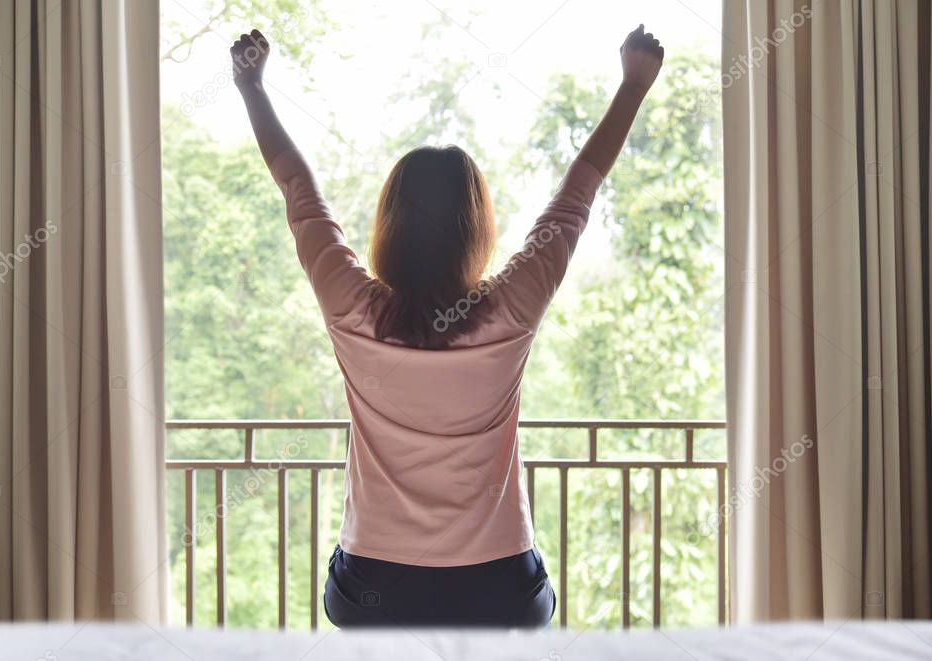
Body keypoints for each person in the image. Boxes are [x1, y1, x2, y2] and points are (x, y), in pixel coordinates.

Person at [230, 24, 663, 628]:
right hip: (499, 590)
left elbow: (299, 191)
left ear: (390, 228)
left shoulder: (354, 310)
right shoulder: (509, 310)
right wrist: (633, 87)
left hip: (374, 588)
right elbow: (576, 196)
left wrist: (250, 87)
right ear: (476, 229)